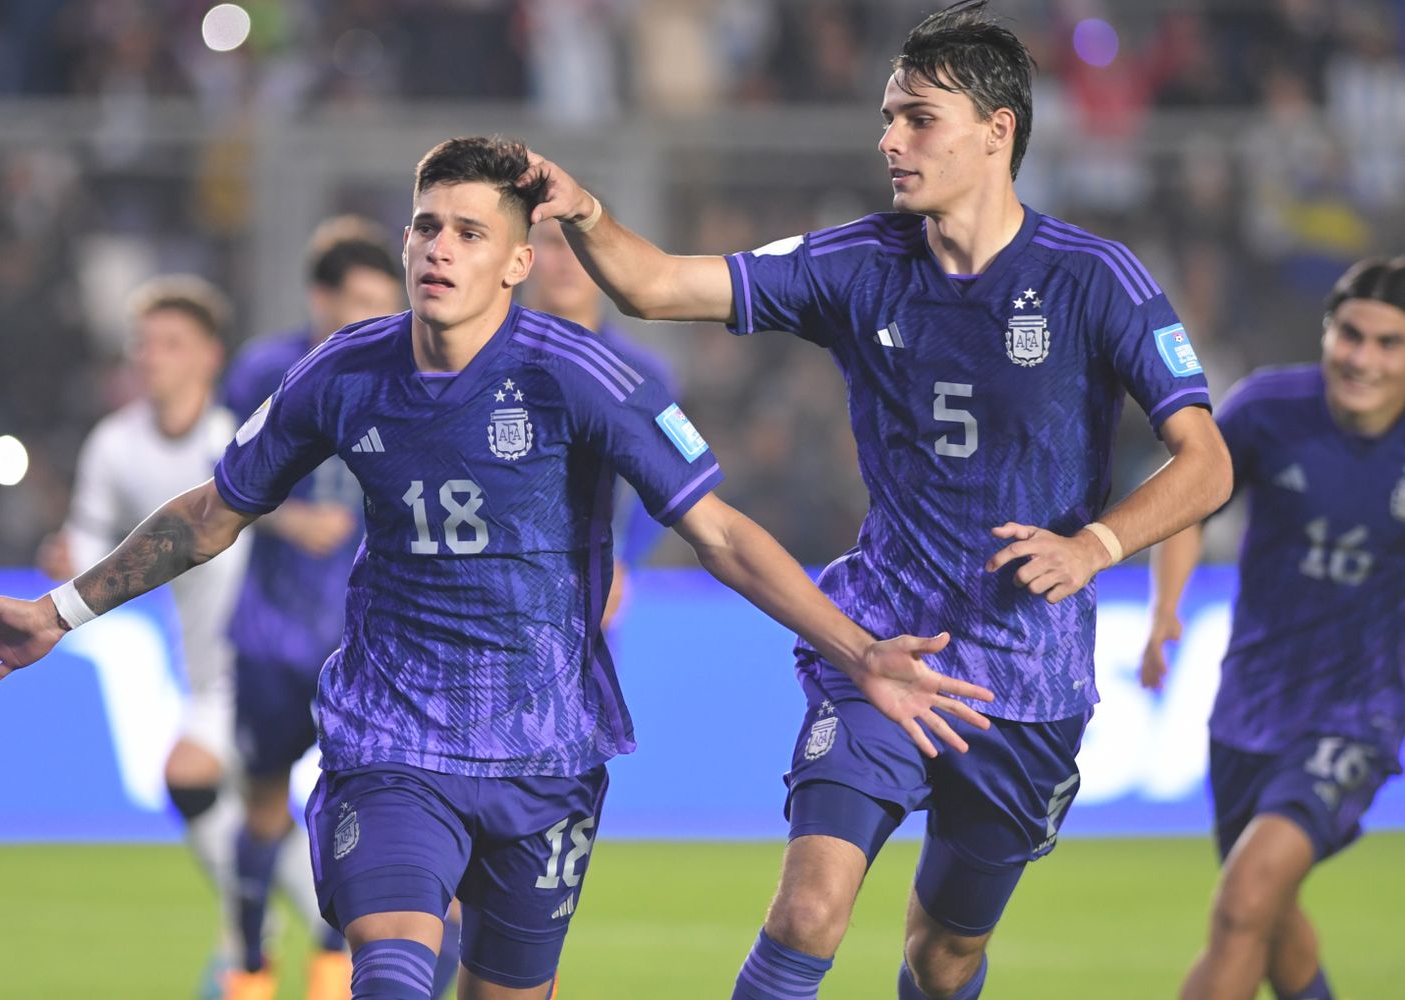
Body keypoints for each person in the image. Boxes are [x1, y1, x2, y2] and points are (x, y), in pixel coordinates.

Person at [0, 136, 995, 1000]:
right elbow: (214, 510)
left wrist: (858, 651)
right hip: (390, 740)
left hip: (544, 756)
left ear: (518, 262)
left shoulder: (584, 379)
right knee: (393, 966)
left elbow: (721, 535)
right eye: (427, 225)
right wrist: (61, 609)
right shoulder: (343, 372)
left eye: (470, 232)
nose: (440, 248)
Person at [522, 2, 1233, 996]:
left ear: (998, 131)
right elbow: (653, 285)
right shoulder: (855, 262)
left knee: (944, 957)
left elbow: (1206, 462)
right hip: (880, 646)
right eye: (888, 116)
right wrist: (587, 212)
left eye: (919, 118)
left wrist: (1098, 546)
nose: (890, 139)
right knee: (808, 909)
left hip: (1026, 684)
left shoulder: (1094, 280)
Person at [1142, 258, 1405, 1000]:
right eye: (1350, 335)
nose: (1363, 358)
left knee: (1245, 900)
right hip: (1248, 709)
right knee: (1274, 923)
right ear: (1326, 332)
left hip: (1359, 717)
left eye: (1390, 344)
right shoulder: (1267, 410)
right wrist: (1166, 609)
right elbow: (1188, 502)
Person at [36, 275, 253, 997]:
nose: (151, 358)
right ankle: (260, 926)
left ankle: (264, 932)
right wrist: (68, 562)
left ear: (209, 357)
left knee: (236, 794)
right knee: (208, 788)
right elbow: (88, 539)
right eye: (143, 345)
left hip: (286, 658)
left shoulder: (241, 441)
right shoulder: (114, 445)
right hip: (208, 669)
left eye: (171, 344)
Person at [220, 218, 406, 1000]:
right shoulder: (266, 368)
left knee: (350, 805)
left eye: (382, 303)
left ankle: (333, 965)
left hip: (358, 638)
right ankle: (251, 964)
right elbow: (219, 480)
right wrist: (292, 519)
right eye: (357, 299)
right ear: (319, 297)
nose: (369, 317)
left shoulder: (401, 373)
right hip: (269, 628)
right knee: (263, 801)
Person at [519, 220, 679, 627]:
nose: (568, 261)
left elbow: (671, 479)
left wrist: (621, 561)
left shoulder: (641, 373)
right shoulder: (480, 360)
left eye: (581, 246)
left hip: (587, 590)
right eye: (555, 244)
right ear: (523, 256)